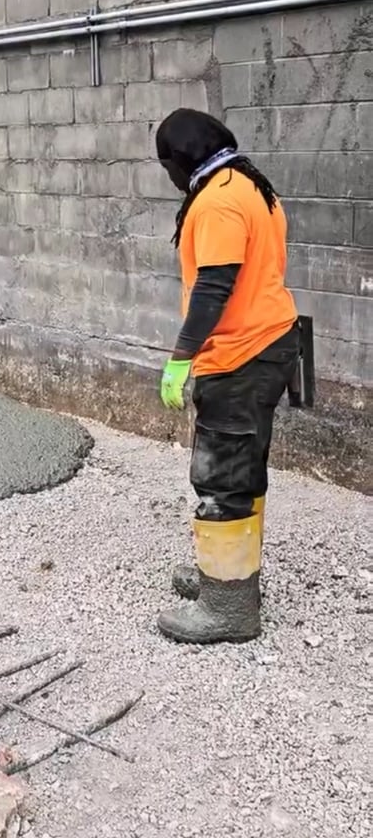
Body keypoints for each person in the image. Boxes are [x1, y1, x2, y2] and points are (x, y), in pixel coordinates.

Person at [155, 108, 300, 645]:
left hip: (239, 355)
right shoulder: (251, 185)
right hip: (270, 342)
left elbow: (215, 287)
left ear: (181, 158)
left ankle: (230, 608)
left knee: (222, 476)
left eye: (166, 163)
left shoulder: (216, 200)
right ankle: (230, 577)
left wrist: (180, 357)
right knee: (244, 466)